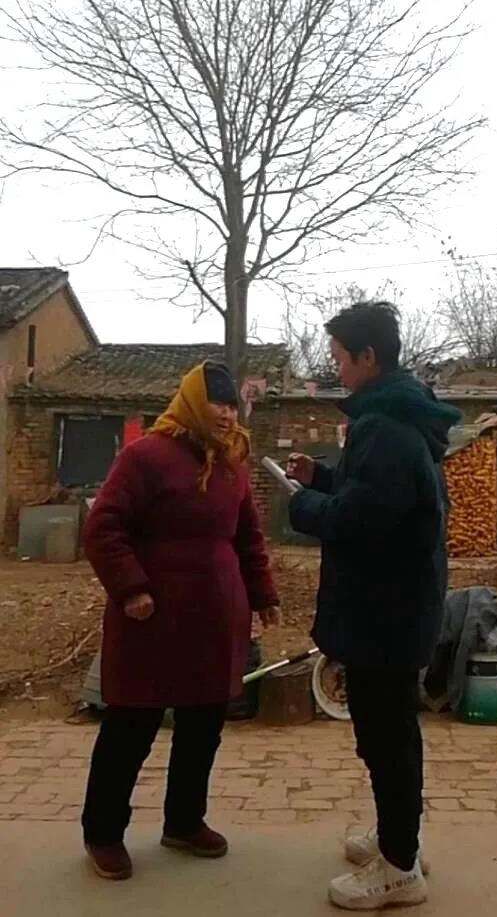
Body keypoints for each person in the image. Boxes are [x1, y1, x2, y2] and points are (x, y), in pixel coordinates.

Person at [287, 301, 460, 911]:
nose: (336, 369)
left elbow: (362, 519)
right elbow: (375, 492)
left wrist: (303, 505)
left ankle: (399, 867)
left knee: (387, 737)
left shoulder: (385, 427)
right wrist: (323, 479)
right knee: (389, 732)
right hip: (396, 604)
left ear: (368, 357)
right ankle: (398, 841)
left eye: (340, 358)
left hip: (384, 610)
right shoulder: (400, 417)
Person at [81, 361, 279, 881]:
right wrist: (131, 587)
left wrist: (263, 594)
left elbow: (248, 538)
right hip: (151, 617)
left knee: (202, 727)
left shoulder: (231, 463)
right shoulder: (146, 457)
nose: (227, 414)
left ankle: (185, 822)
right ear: (192, 401)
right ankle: (103, 833)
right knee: (131, 727)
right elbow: (103, 527)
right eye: (217, 403)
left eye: (232, 405)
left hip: (213, 618)